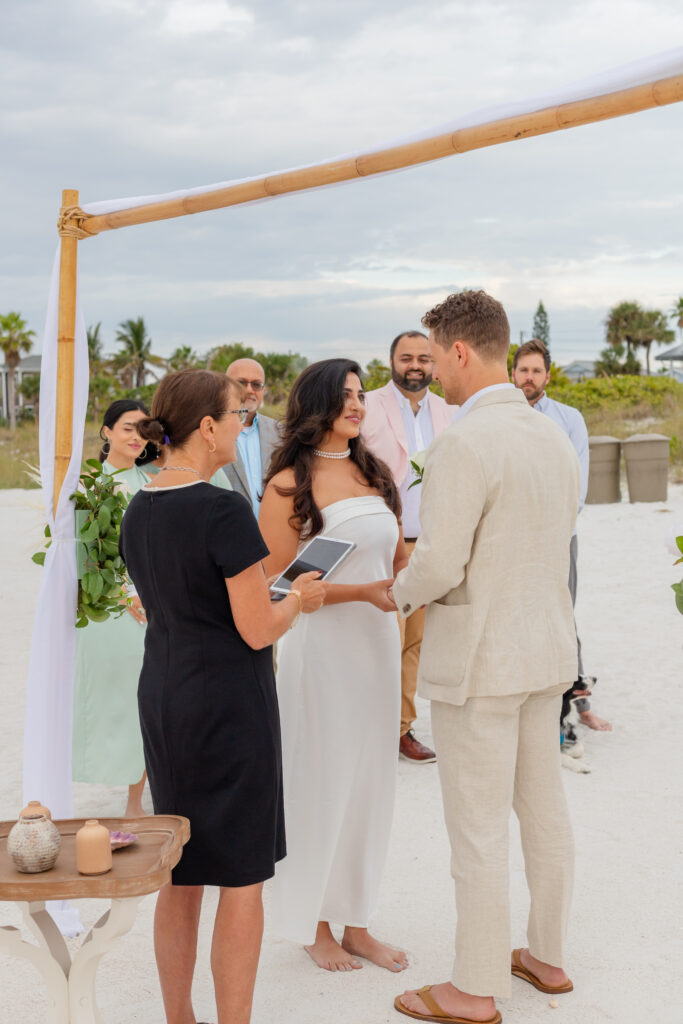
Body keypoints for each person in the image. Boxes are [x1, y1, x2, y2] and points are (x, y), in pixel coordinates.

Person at [393, 291, 580, 1024]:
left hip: (479, 662)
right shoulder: (551, 438)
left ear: (460, 351)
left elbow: (440, 564)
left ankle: (472, 989)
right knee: (544, 812)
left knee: (475, 826)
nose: (434, 370)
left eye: (435, 355)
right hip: (544, 651)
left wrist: (396, 591)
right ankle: (547, 954)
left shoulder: (465, 443)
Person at [119, 369, 325, 1024]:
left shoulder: (141, 504)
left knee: (179, 873)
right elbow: (255, 626)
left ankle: (179, 1017)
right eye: (236, 415)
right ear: (207, 427)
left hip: (166, 695)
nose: (243, 426)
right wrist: (299, 599)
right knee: (240, 877)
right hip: (230, 705)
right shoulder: (220, 507)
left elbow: (158, 604)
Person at [259, 358, 410, 974]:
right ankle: (315, 926)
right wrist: (360, 592)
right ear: (318, 403)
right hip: (319, 656)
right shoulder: (286, 486)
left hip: (376, 652)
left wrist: (408, 575)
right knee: (319, 784)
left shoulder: (373, 470)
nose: (358, 404)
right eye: (346, 396)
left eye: (360, 395)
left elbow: (397, 554)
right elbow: (273, 585)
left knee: (371, 784)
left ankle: (358, 923)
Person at [511, 339, 612, 735]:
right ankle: (527, 706)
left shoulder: (569, 419)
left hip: (556, 538)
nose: (529, 377)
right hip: (510, 539)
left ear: (547, 376)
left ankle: (580, 702)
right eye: (523, 370)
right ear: (512, 374)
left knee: (562, 617)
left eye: (536, 371)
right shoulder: (499, 419)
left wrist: (545, 530)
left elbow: (577, 487)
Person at [362, 331, 453, 763]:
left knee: (415, 643)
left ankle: (402, 728)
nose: (415, 365)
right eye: (406, 357)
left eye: (423, 358)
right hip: (384, 543)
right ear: (391, 361)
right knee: (382, 640)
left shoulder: (448, 409)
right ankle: (369, 728)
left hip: (431, 541)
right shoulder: (368, 406)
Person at [72, 399, 150, 818]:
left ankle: (141, 797)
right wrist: (126, 597)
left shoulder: (153, 482)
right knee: (123, 699)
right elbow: (87, 560)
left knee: (150, 699)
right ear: (106, 432)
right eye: (126, 428)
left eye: (142, 428)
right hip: (114, 611)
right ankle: (131, 800)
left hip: (157, 606)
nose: (136, 436)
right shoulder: (90, 486)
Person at [222, 357, 281, 516]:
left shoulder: (282, 433)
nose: (249, 389)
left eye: (256, 384)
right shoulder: (210, 432)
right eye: (241, 383)